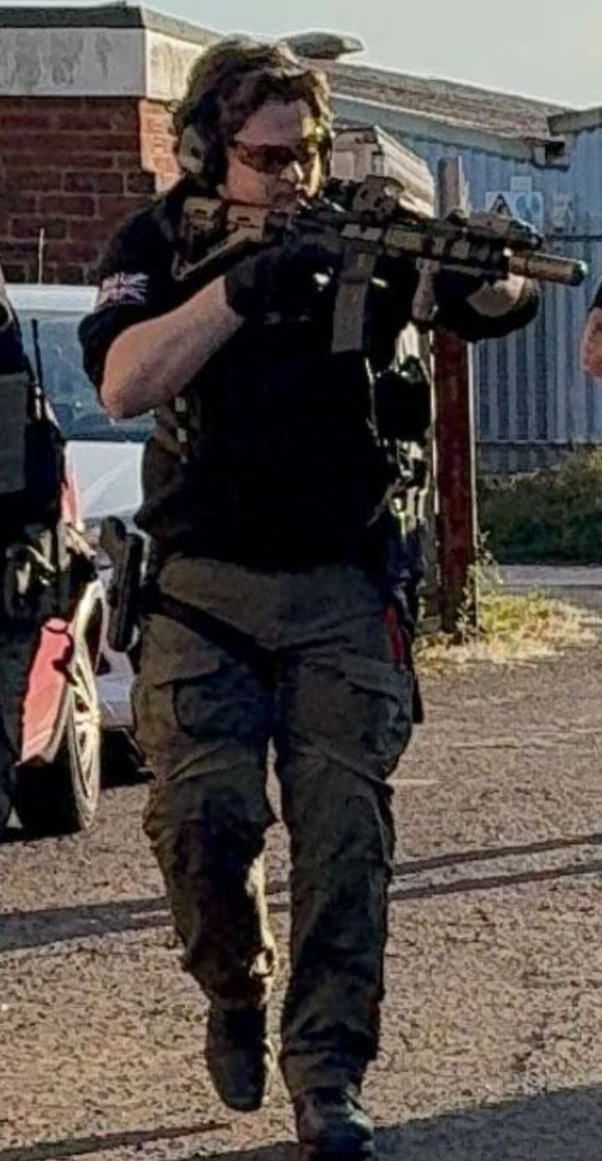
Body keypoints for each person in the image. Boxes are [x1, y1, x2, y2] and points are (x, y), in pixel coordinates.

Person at [80, 39, 539, 1159]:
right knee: (202, 820)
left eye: (305, 154)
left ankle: (327, 1071)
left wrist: (486, 265)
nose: (289, 177)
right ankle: (234, 989)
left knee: (344, 841)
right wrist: (239, 290)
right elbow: (125, 378)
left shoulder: (353, 238)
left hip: (340, 586)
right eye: (263, 156)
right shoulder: (157, 242)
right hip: (203, 590)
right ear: (205, 150)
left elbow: (491, 302)